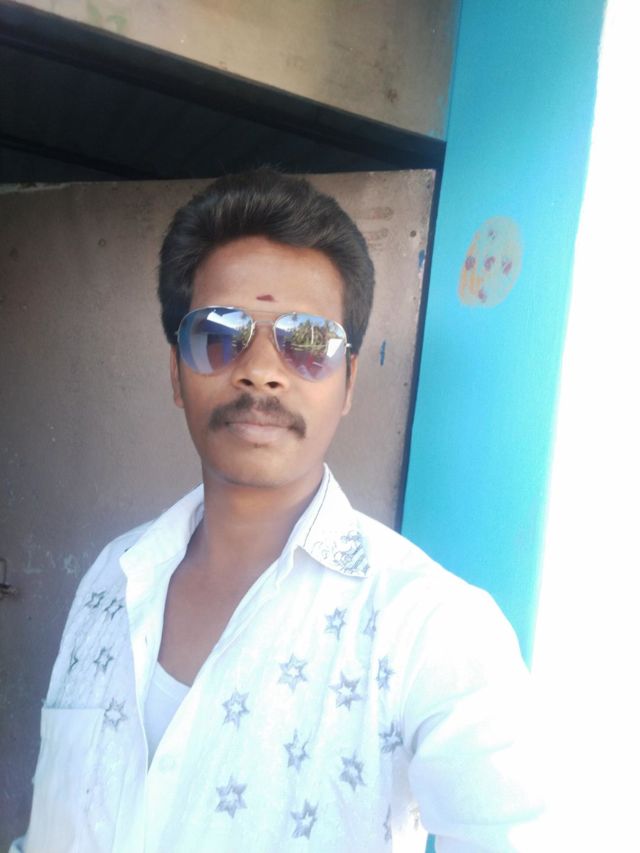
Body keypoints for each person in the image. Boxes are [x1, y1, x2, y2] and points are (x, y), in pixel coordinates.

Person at [14, 169, 545, 852]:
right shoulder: (110, 580)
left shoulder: (429, 627)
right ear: (176, 373)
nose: (261, 370)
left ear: (348, 383)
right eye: (218, 333)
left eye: (310, 341)